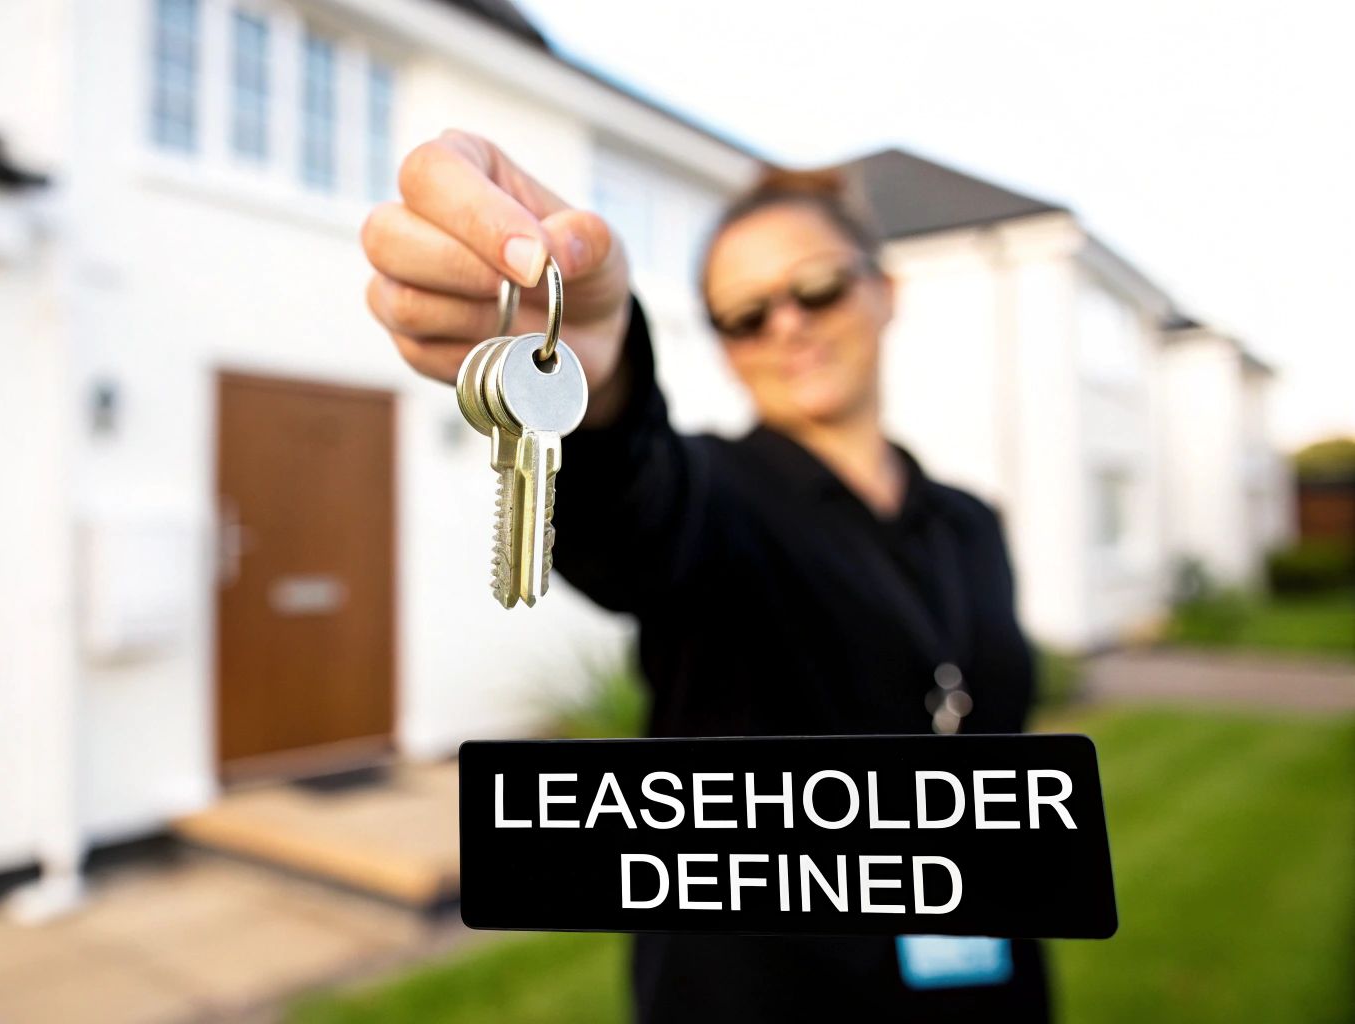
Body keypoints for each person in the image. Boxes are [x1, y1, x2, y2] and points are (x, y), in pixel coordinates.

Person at [361, 130, 1052, 1022]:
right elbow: (631, 508)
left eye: (816, 289)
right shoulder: (713, 498)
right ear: (723, 345)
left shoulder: (970, 522)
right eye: (745, 315)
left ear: (886, 291)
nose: (788, 325)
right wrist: (601, 378)